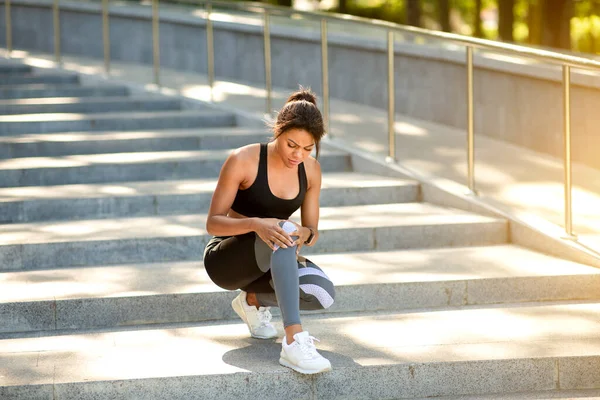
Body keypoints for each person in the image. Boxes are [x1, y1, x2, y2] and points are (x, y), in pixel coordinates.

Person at [203, 88, 335, 375]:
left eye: (307, 148)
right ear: (278, 130)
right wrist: (256, 223)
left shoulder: (311, 171)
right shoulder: (244, 160)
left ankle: (252, 300)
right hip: (227, 260)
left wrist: (304, 233)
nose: (298, 155)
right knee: (281, 229)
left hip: (275, 255)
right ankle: (293, 341)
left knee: (321, 294)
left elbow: (312, 231)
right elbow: (213, 222)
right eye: (291, 145)